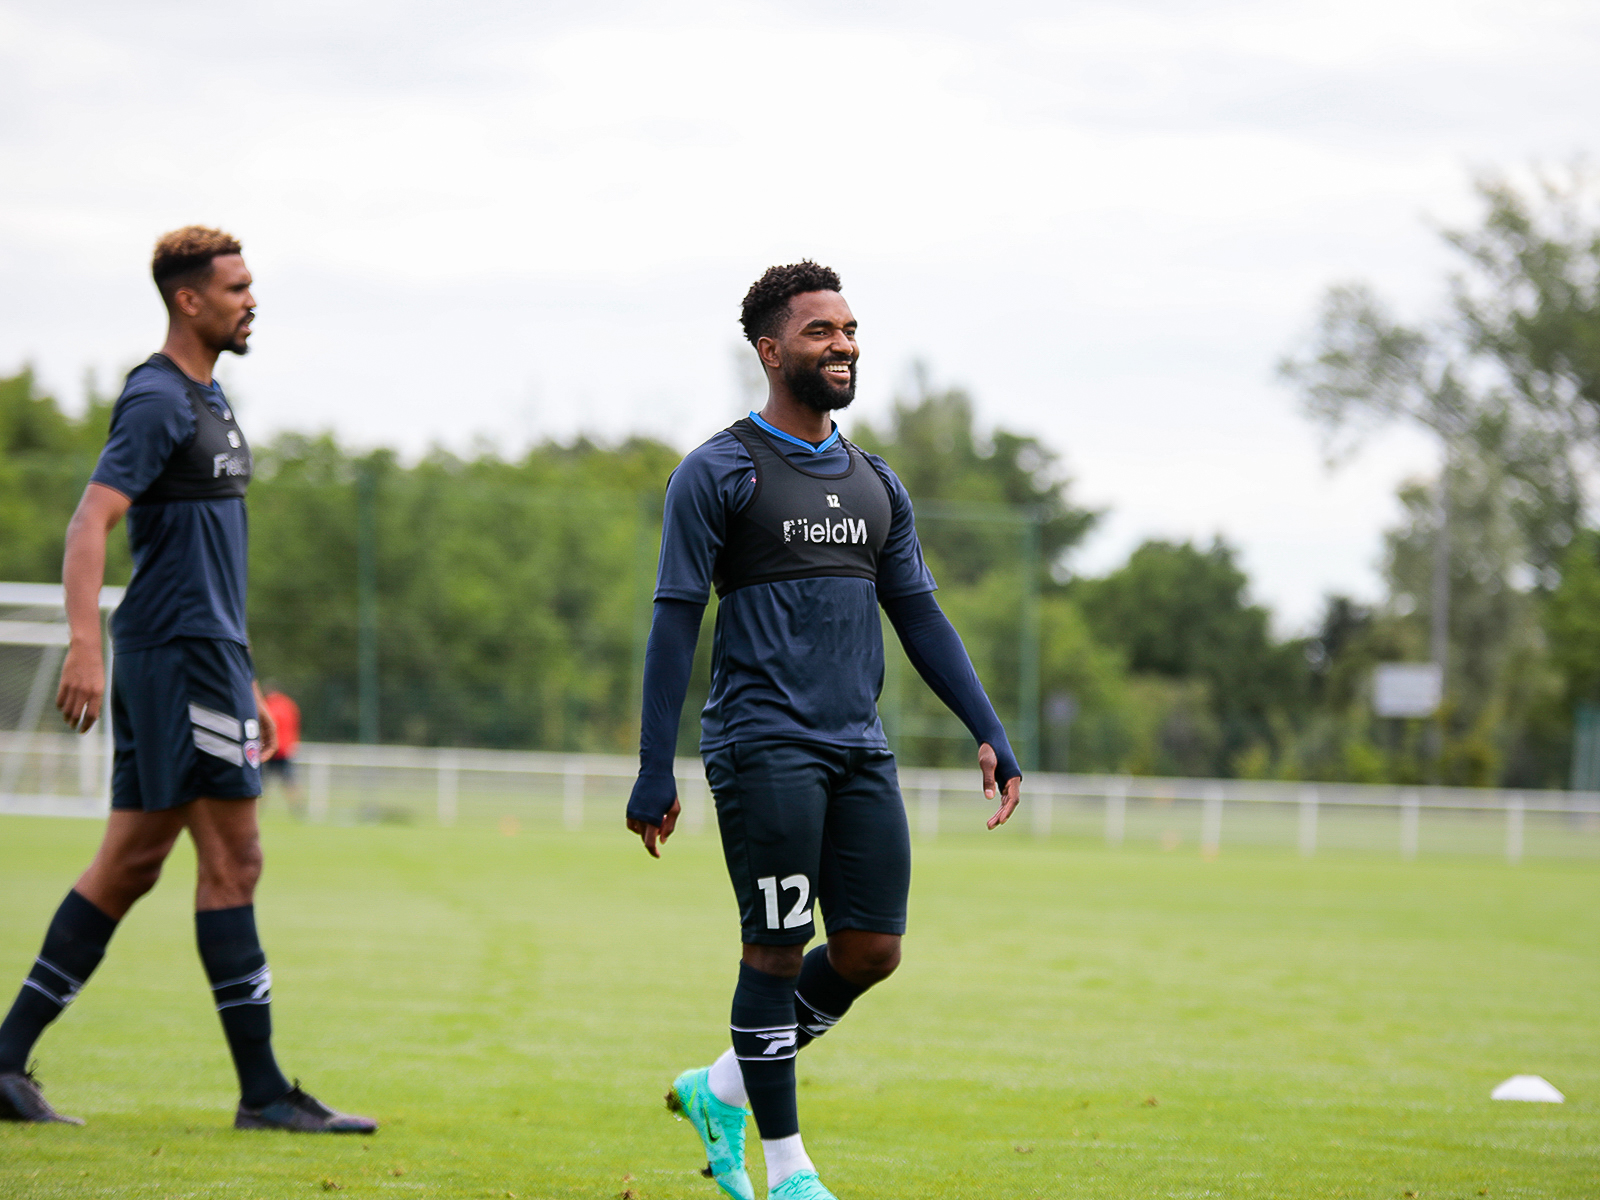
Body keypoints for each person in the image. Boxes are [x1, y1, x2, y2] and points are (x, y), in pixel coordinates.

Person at [627, 262, 1022, 1200]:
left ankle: (720, 1088)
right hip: (763, 743)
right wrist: (654, 768)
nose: (842, 344)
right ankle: (788, 1171)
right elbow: (674, 619)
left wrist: (989, 728)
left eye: (848, 329)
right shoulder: (716, 471)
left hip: (858, 744)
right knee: (771, 948)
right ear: (770, 351)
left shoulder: (877, 480)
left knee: (869, 951)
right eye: (819, 331)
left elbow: (919, 615)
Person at [0, 226, 375, 1134]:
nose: (251, 300)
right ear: (188, 300)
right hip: (175, 657)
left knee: (126, 866)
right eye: (237, 287)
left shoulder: (213, 400)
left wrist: (241, 675)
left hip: (205, 659)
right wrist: (84, 645)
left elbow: (206, 558)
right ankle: (262, 1094)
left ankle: (4, 1061)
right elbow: (91, 521)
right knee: (234, 860)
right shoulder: (159, 399)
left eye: (251, 285)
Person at [260, 684, 305, 818]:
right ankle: (298, 810)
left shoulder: (267, 705)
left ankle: (255, 812)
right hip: (286, 750)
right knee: (289, 782)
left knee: (261, 783)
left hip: (271, 750)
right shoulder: (289, 705)